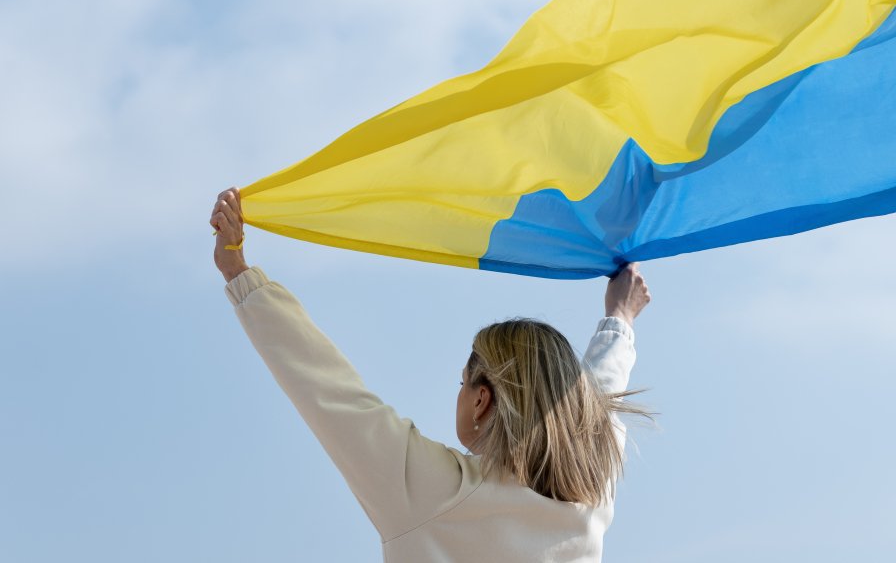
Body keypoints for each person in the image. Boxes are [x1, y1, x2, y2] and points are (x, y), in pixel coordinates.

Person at [210, 187, 652, 562]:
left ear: (482, 399)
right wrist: (620, 317)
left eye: (463, 383)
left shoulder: (432, 492)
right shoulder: (592, 494)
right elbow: (597, 394)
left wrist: (238, 273)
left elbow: (327, 386)